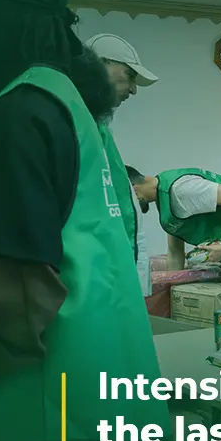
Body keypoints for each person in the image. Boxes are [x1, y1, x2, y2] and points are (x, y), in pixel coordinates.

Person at [0, 0, 167, 441]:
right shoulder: (71, 105)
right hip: (103, 387)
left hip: (48, 407)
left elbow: (14, 291)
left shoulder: (17, 112)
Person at [85, 33, 159, 297]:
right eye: (129, 75)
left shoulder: (100, 128)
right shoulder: (77, 122)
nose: (133, 89)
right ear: (100, 64)